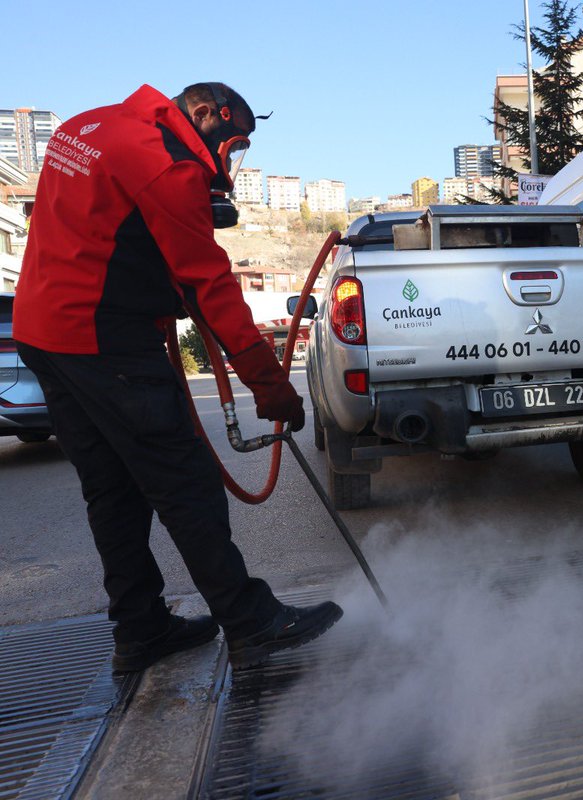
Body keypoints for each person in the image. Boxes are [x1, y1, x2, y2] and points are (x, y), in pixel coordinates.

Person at [13, 82, 342, 673]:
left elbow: (99, 232)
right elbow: (209, 283)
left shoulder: (86, 127)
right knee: (183, 479)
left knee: (112, 490)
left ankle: (140, 630)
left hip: (43, 333)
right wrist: (269, 383)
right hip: (103, 339)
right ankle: (250, 621)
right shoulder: (166, 165)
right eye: (234, 143)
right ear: (205, 115)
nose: (230, 163)